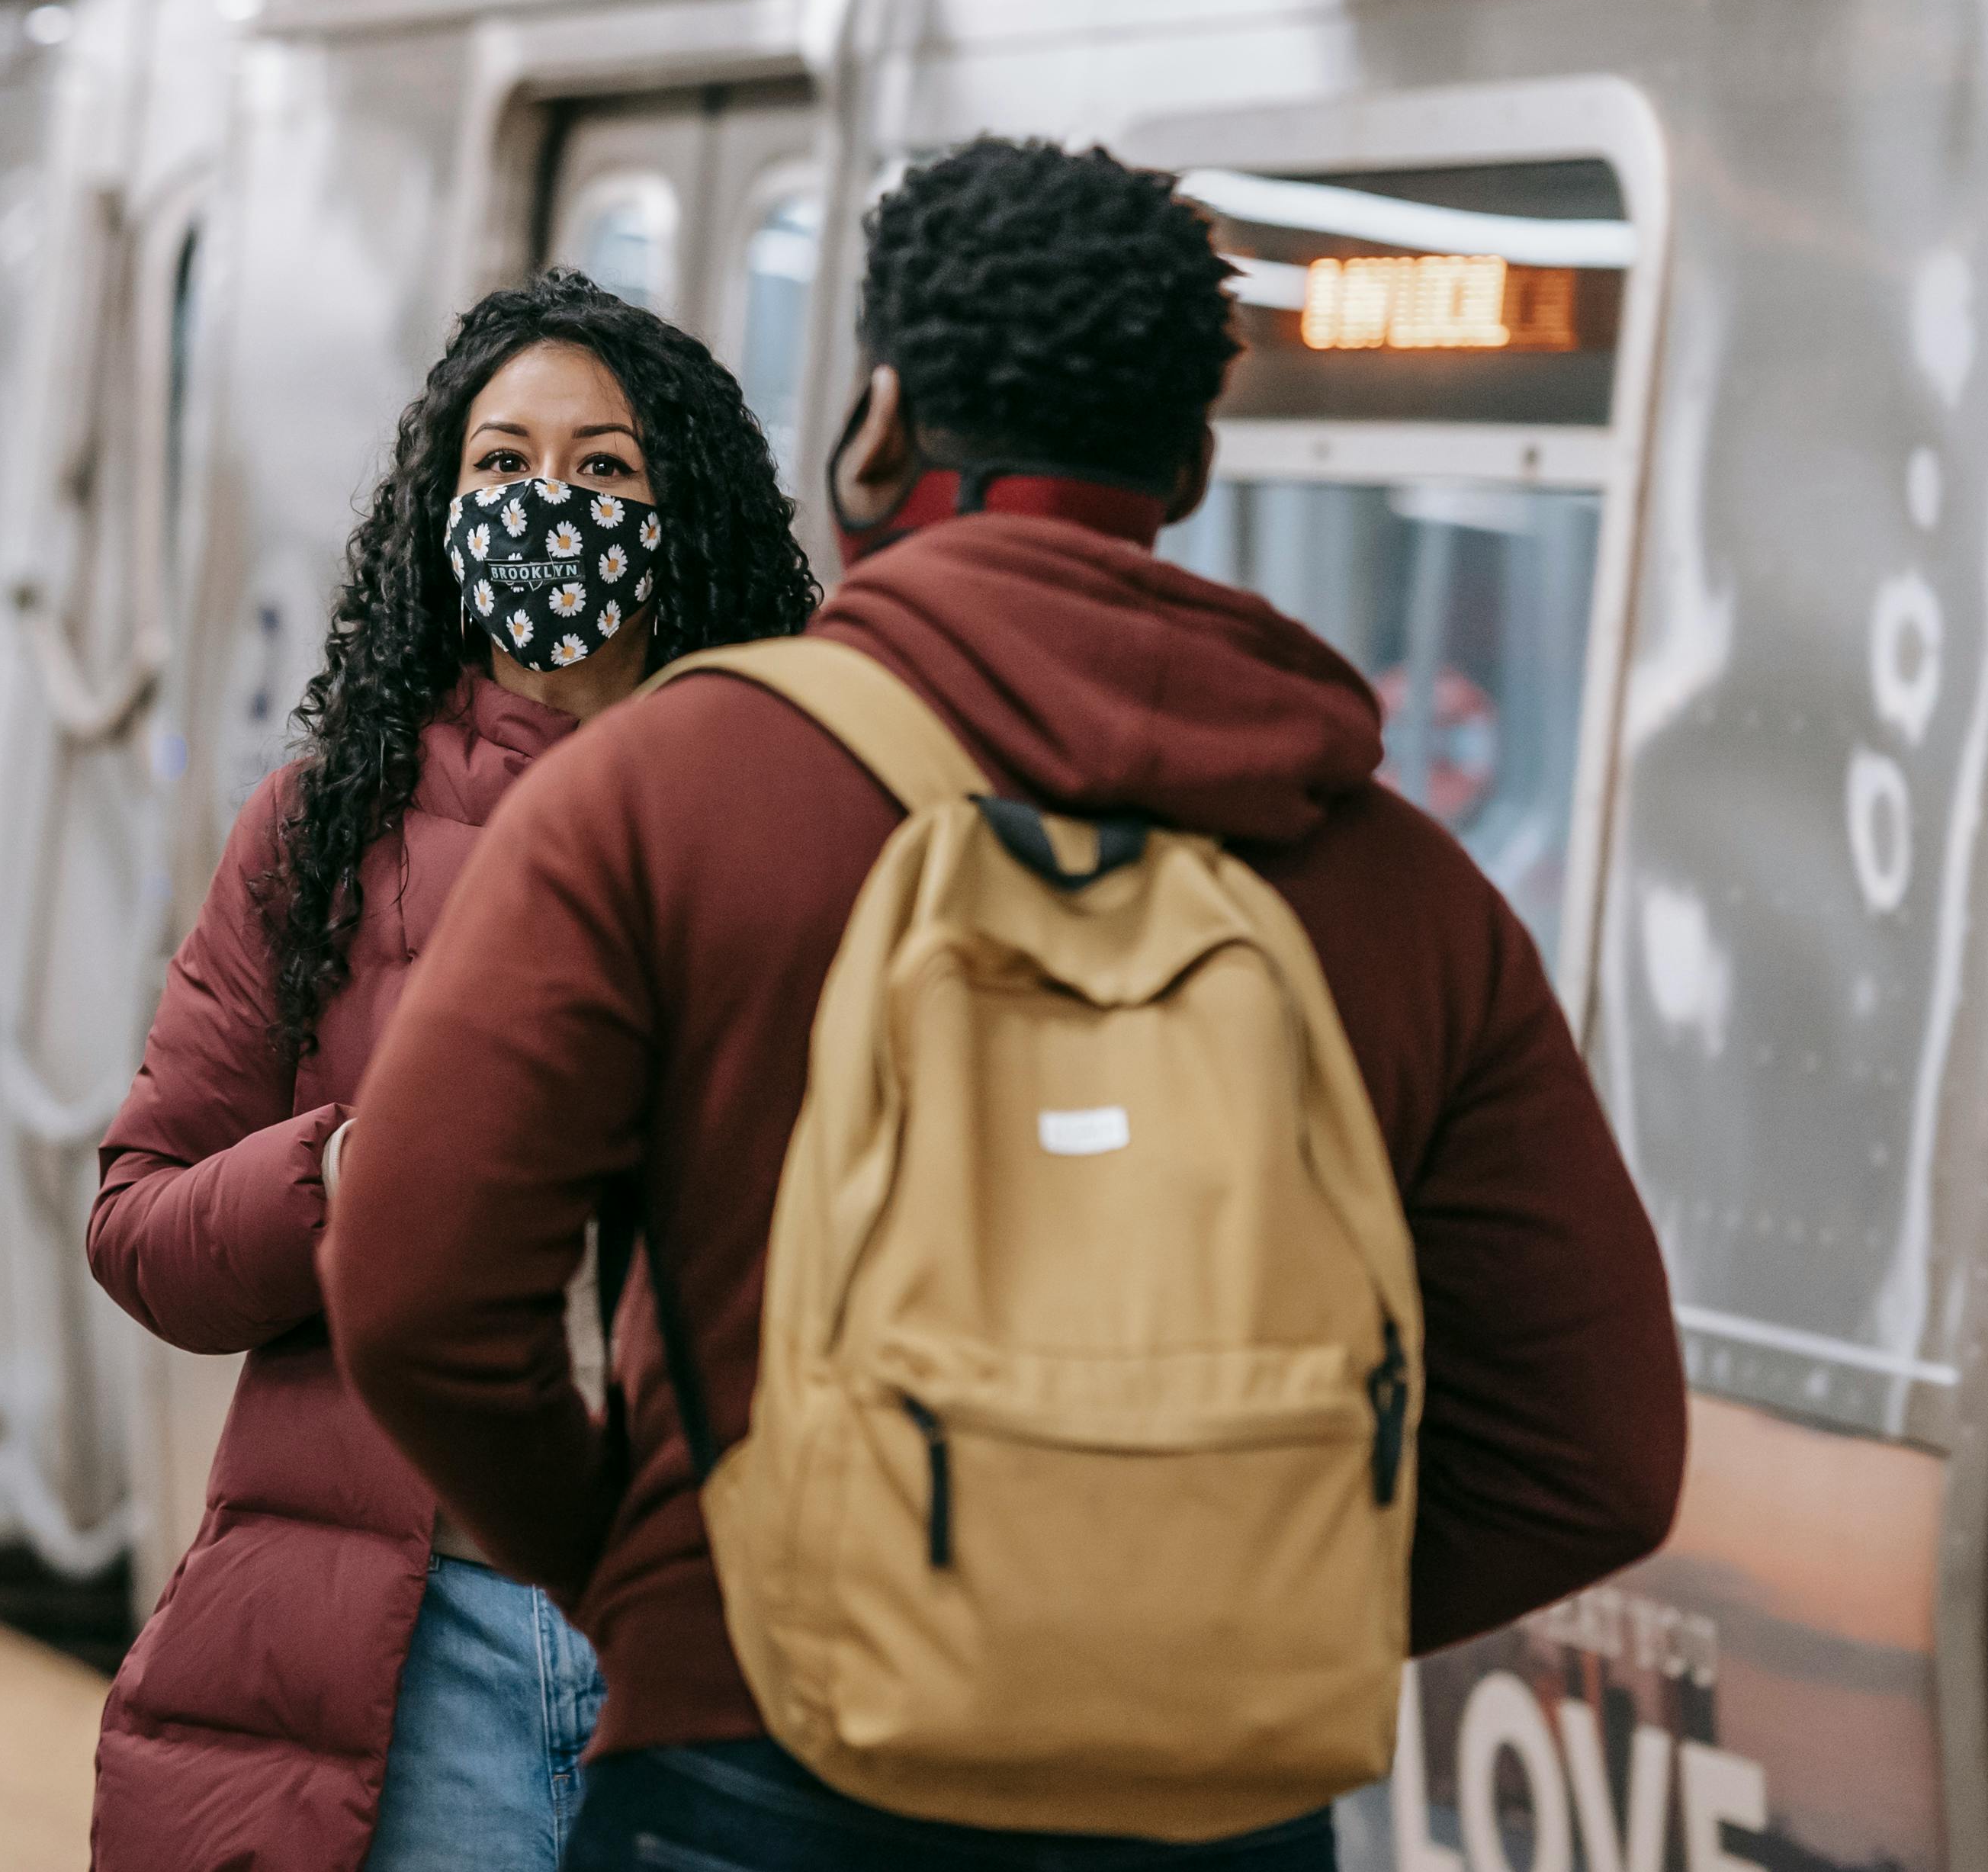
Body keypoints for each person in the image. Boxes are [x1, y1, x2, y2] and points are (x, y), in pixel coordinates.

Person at [322, 138, 1688, 1870]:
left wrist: (668, 1577)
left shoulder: (665, 790)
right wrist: (1210, 1617)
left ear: (876, 429)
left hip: (759, 1771)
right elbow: (1598, 1453)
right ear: (1187, 460)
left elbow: (413, 1286)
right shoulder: (1393, 880)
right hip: (1217, 1810)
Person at [89, 271, 822, 1872]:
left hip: (728, 1637)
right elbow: (139, 1228)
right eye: (497, 466)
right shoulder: (319, 829)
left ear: (683, 509)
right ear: (437, 507)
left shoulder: (792, 816)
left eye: (604, 469)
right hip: (425, 1646)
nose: (542, 507)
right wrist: (346, 1167)